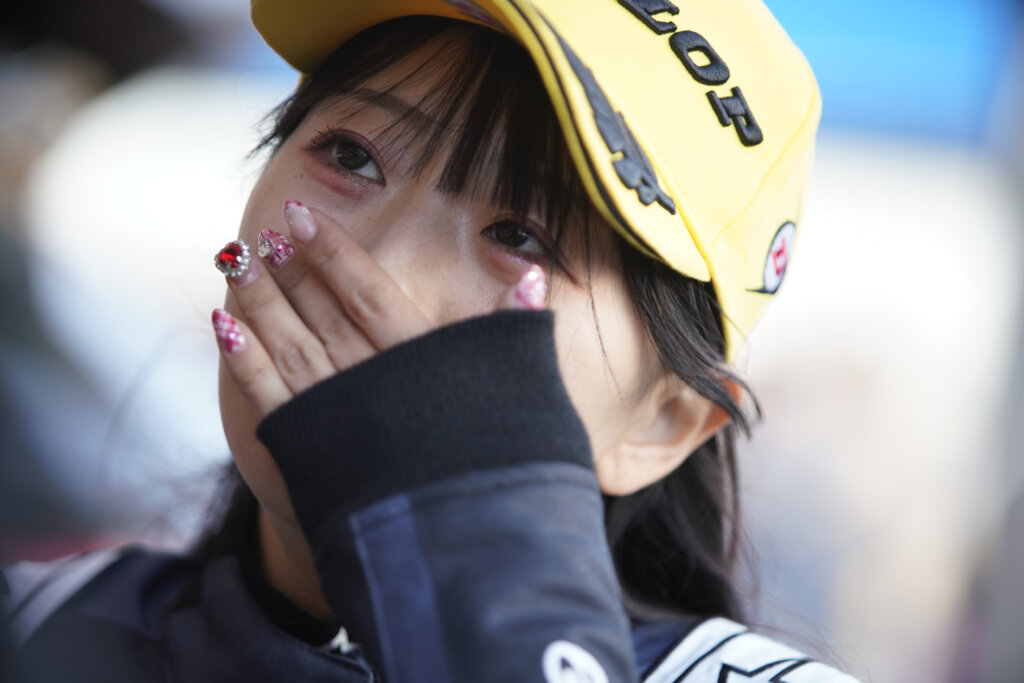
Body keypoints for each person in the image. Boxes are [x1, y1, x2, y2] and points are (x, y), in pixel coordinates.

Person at [2, 1, 857, 681]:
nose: (382, 268)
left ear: (662, 426)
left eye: (521, 235)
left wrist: (478, 587)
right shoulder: (37, 628)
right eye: (351, 155)